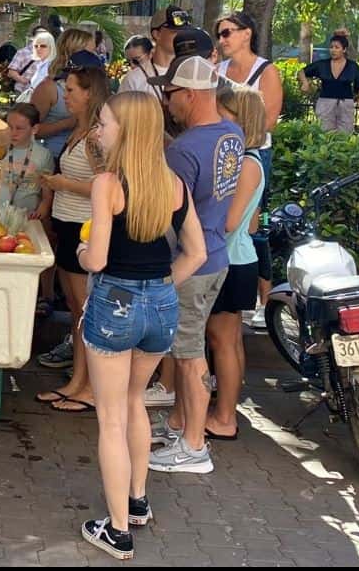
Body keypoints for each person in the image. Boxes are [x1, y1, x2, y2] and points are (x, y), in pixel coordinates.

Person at [76, 91, 207, 560]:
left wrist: (80, 253)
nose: (99, 130)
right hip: (162, 305)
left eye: (105, 123)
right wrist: (160, 284)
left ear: (126, 131)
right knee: (134, 401)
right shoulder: (173, 183)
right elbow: (198, 251)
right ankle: (137, 501)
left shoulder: (107, 183)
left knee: (109, 418)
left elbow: (99, 257)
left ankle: (116, 531)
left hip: (114, 302)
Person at [145, 55, 244, 475]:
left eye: (170, 95)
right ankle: (182, 425)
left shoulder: (185, 149)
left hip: (190, 260)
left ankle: (194, 445)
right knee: (190, 347)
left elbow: (167, 212)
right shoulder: (233, 134)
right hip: (217, 254)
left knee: (187, 354)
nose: (167, 103)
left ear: (190, 93)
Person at [34, 59, 110, 413]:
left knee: (84, 312)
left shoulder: (96, 135)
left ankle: (88, 386)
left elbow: (105, 184)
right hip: (68, 224)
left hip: (84, 228)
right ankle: (77, 382)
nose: (65, 96)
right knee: (77, 311)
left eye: (71, 90)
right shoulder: (81, 130)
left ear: (89, 93)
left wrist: (64, 184)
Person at [204, 84, 266, 442]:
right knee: (230, 340)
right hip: (241, 257)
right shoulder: (253, 162)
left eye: (224, 114)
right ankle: (228, 409)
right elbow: (252, 223)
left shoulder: (244, 164)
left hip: (231, 260)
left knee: (222, 340)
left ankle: (225, 416)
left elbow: (229, 221)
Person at [215, 11, 282, 320]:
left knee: (255, 224)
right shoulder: (218, 69)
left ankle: (263, 302)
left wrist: (238, 138)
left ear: (247, 34)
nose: (222, 39)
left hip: (254, 153)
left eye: (227, 32)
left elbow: (268, 120)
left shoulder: (265, 71)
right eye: (219, 34)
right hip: (223, 150)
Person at [0, 103, 54, 219]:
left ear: (34, 129)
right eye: (9, 127)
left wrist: (41, 211)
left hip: (28, 220)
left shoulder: (44, 155)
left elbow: (46, 196)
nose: (13, 132)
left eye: (19, 128)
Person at [30, 36, 95, 163]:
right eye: (90, 52)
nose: (94, 55)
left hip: (82, 159)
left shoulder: (97, 88)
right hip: (53, 157)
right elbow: (30, 129)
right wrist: (67, 123)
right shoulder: (50, 87)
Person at [297, 32, 359, 134]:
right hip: (325, 104)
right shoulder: (322, 64)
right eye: (331, 47)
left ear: (344, 49)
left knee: (345, 137)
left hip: (345, 105)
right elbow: (302, 72)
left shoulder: (353, 67)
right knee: (325, 135)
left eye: (337, 47)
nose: (333, 50)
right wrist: (305, 83)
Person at [149, 6, 191, 77]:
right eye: (176, 32)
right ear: (156, 34)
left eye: (185, 32)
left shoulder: (192, 73)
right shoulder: (134, 79)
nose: (183, 36)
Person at [118, 35, 162, 100]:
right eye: (128, 62)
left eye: (136, 60)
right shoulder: (130, 79)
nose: (132, 65)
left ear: (151, 53)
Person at [8, 25, 50, 91]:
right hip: (23, 91)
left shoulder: (49, 54)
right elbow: (11, 72)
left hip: (41, 92)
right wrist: (24, 80)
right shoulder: (23, 52)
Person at [16, 30, 57, 100]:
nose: (38, 48)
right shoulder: (41, 64)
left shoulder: (51, 65)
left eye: (43, 46)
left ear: (51, 47)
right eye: (36, 46)